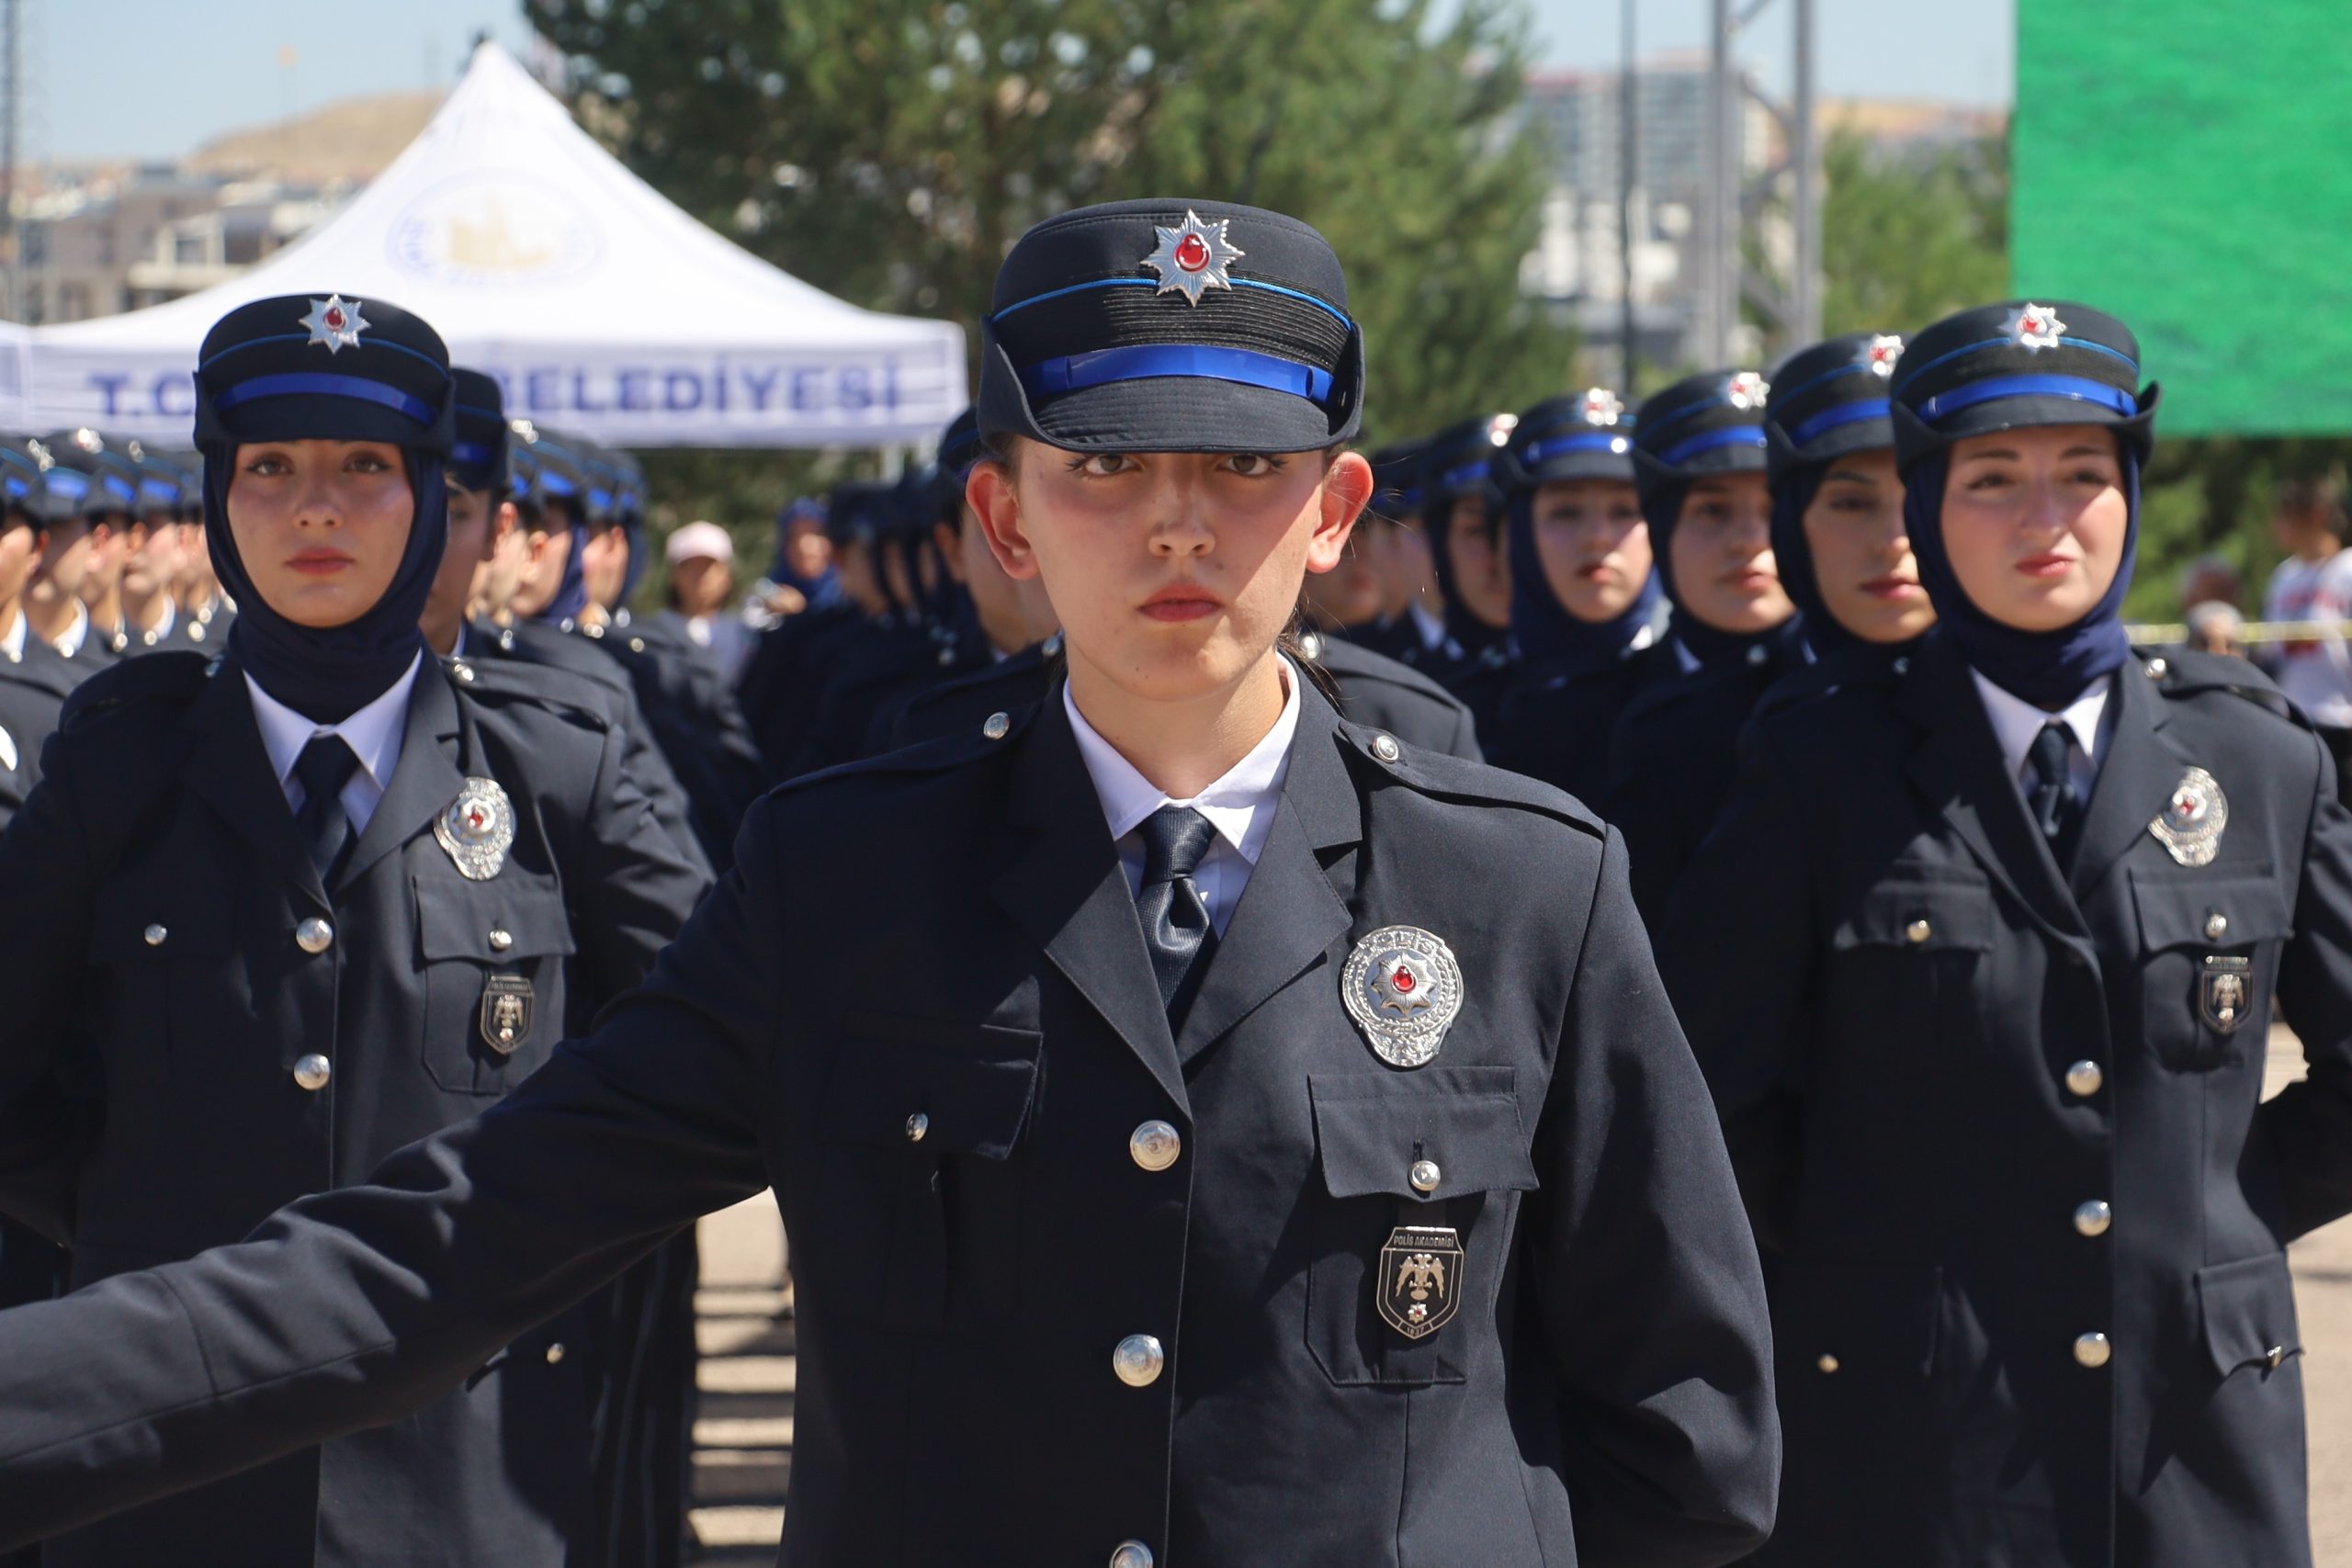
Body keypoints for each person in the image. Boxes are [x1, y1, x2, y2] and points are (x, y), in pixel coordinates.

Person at [0, 200, 1778, 1568]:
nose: (1179, 523)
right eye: (1107, 466)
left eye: (1245, 466)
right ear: (1006, 520)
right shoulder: (851, 878)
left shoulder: (1519, 887)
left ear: (1332, 509)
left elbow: (1686, 1441)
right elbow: (451, 1243)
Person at [0, 293, 710, 1568]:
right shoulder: (118, 769)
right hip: (163, 1479)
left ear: (431, 493)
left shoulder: (555, 770)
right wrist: (138, 1218)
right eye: (269, 467)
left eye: (364, 466)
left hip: (468, 1465)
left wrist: (519, 1257)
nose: (315, 509)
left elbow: (700, 1062)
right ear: (217, 496)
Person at [1659, 298, 2352, 1568]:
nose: (2046, 519)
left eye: (2084, 473)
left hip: (2193, 1442)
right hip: (1917, 1443)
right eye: (1992, 479)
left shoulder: (2255, 755)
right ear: (1927, 505)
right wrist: (1876, 1256)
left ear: (2130, 492)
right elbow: (1713, 1098)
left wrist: (2221, 1211)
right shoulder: (1822, 764)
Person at [1600, 368, 1805, 927]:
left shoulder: (1862, 708)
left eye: (1773, 510)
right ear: (1661, 529)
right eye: (1712, 511)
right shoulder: (1597, 712)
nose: (1749, 541)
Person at [1484, 388, 1666, 803]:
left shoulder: (1704, 699)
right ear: (1520, 535)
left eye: (1625, 511)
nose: (1596, 537)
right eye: (1565, 512)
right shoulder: (1461, 711)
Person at [1748, 331, 1937, 718]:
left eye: (1921, 498)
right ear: (1792, 526)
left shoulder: (2036, 715)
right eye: (1852, 504)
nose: (1894, 541)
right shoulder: (1703, 728)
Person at [1415, 412, 1520, 735]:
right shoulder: (1400, 694)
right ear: (1438, 542)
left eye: (1516, 528)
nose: (1499, 556)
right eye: (1477, 530)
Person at [2258, 472, 2352, 773]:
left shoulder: (2347, 570)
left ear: (2317, 515)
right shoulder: (2284, 577)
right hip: (2296, 719)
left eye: (2286, 515)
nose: (2277, 525)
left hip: (2343, 719)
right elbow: (2269, 650)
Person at [654, 520, 756, 683]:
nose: (700, 577)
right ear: (674, 575)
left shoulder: (745, 634)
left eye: (708, 567)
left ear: (727, 575)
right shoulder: (655, 632)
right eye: (690, 566)